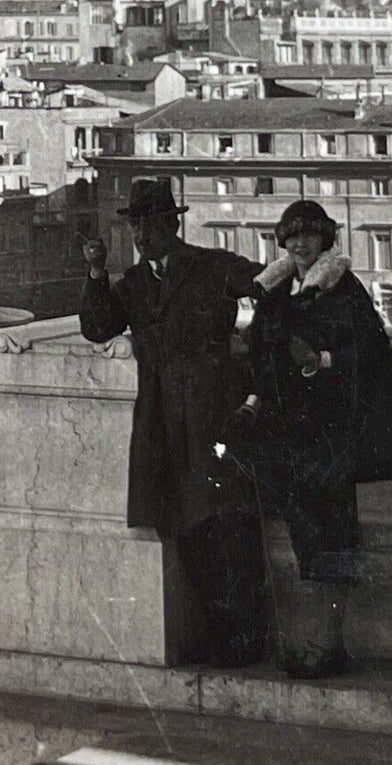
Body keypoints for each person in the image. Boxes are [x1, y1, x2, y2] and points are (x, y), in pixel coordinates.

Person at [225, 199, 392, 678]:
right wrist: (251, 404)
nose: (299, 243)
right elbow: (263, 358)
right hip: (287, 433)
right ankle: (315, 642)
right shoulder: (276, 291)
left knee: (331, 538)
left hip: (330, 433)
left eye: (309, 235)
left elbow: (369, 352)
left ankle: (327, 644)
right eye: (291, 235)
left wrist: (319, 359)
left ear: (326, 238)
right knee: (303, 537)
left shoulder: (342, 287)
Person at [80, 176, 266, 665]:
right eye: (135, 228)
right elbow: (99, 326)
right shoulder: (136, 283)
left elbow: (267, 284)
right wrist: (96, 273)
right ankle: (212, 635)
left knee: (227, 522)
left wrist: (257, 354)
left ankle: (245, 637)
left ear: (170, 224)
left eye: (149, 226)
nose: (141, 237)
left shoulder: (210, 266)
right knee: (183, 525)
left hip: (214, 413)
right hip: (162, 418)